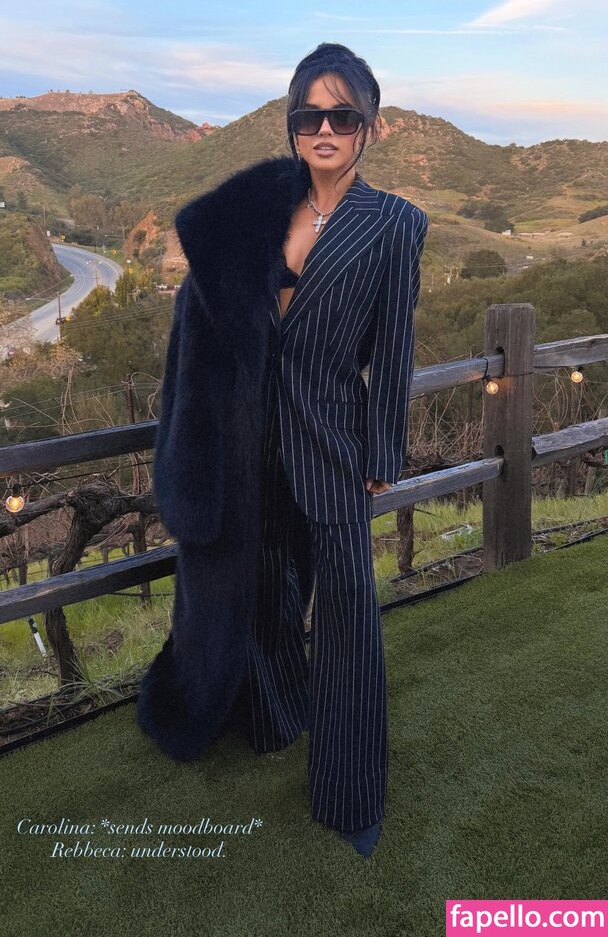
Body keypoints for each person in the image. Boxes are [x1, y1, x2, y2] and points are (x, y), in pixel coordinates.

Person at [136, 42, 428, 861]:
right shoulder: (257, 209)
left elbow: (394, 352)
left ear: (370, 124)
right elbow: (205, 330)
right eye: (310, 114)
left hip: (332, 443)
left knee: (348, 612)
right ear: (292, 123)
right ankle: (266, 713)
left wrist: (384, 453)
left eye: (343, 114)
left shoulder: (396, 225)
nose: (325, 128)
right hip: (244, 443)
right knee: (260, 582)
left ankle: (350, 793)